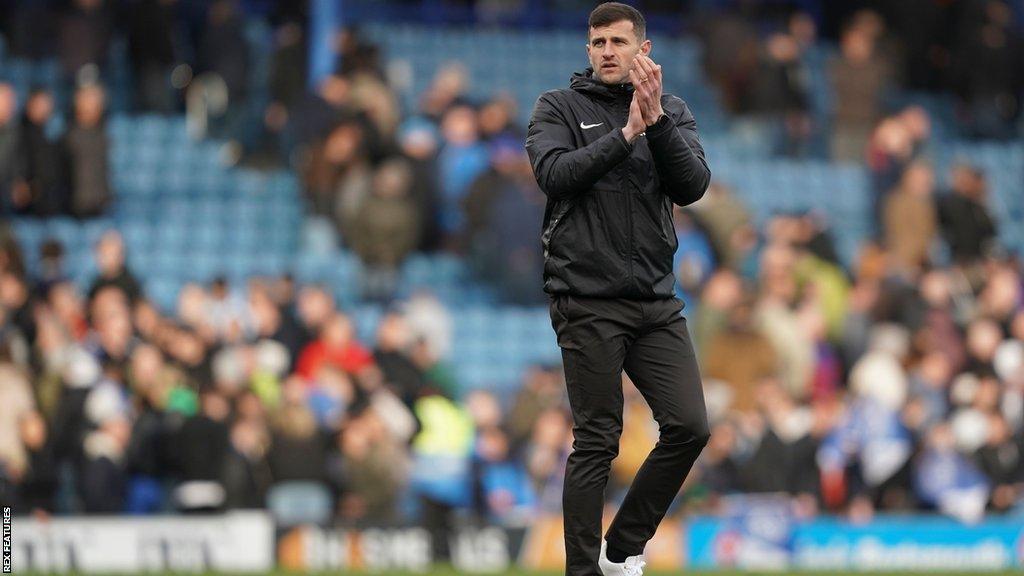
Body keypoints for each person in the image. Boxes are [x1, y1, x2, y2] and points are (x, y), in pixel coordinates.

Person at [524, 4, 711, 575]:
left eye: (618, 41)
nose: (606, 50)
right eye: (597, 41)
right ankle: (581, 571)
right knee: (598, 440)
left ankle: (622, 549)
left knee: (690, 427)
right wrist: (626, 132)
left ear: (643, 50)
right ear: (588, 50)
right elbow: (553, 175)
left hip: (655, 301)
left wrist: (653, 125)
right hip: (586, 300)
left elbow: (694, 185)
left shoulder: (671, 111)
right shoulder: (557, 106)